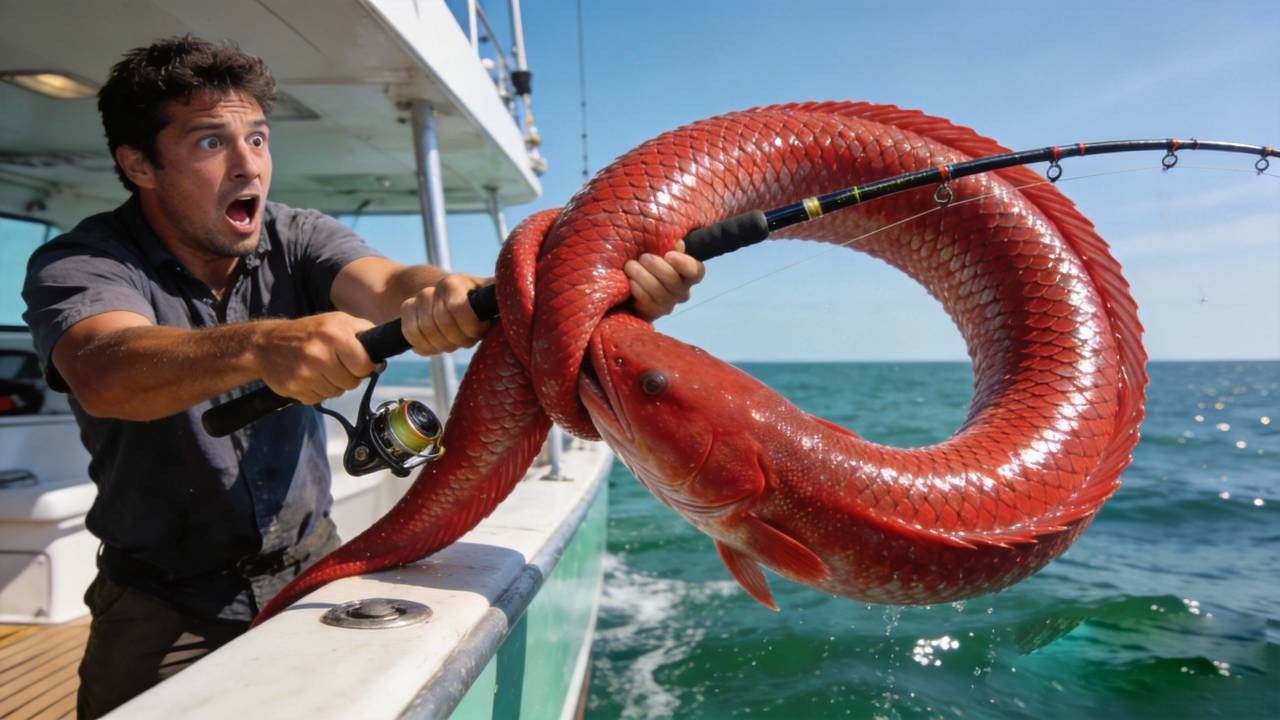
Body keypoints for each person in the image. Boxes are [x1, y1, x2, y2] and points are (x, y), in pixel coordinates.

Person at [21, 36, 704, 719]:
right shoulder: (81, 261)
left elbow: (390, 284)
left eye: (257, 139)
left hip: (315, 571)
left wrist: (449, 295)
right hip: (161, 606)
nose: (247, 167)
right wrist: (262, 345)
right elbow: (105, 369)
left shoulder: (297, 235)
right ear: (138, 164)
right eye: (209, 144)